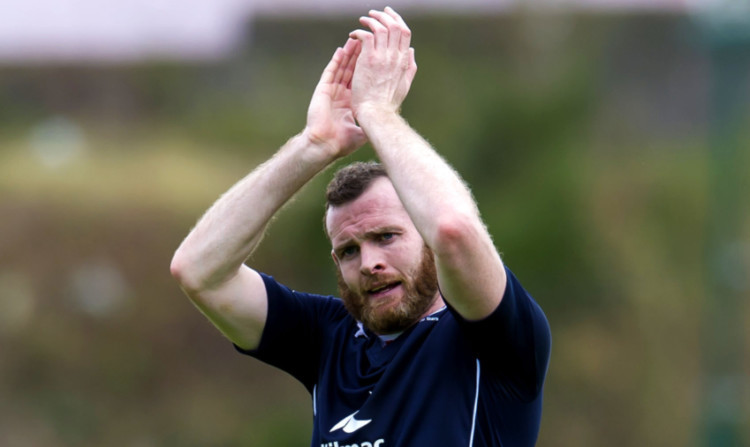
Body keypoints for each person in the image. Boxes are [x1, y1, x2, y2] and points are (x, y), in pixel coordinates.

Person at [170, 7, 551, 447]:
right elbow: (199, 270)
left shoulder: (491, 336)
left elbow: (453, 229)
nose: (369, 262)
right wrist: (313, 147)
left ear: (423, 234)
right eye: (349, 250)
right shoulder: (328, 338)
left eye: (386, 237)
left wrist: (377, 113)